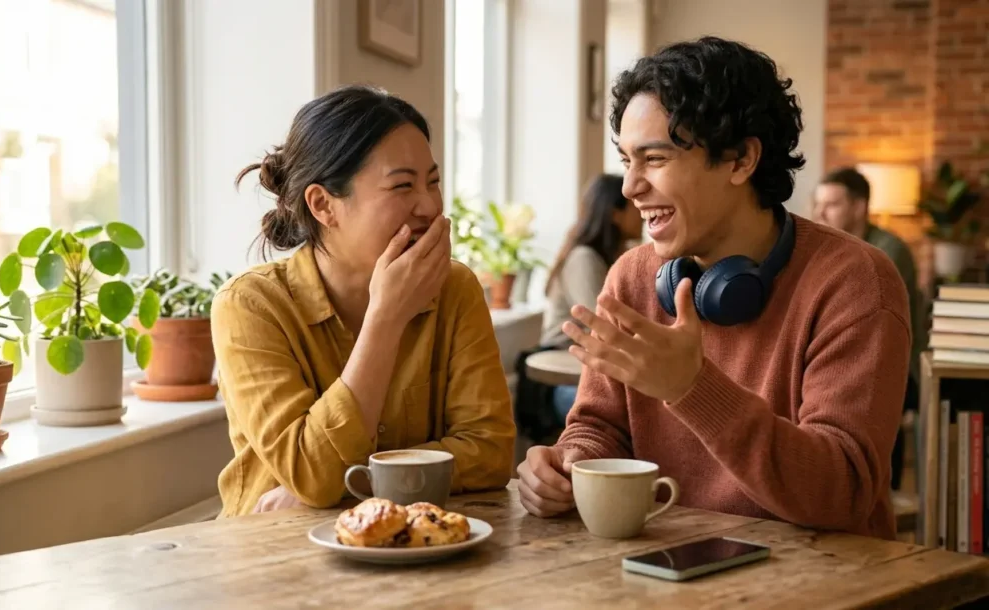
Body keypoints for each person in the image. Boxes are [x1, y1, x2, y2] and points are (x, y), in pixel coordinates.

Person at [516, 36, 911, 541]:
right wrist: (567, 465)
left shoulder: (855, 282)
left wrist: (692, 388)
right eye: (627, 160)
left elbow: (842, 492)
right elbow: (598, 427)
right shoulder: (632, 278)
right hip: (667, 561)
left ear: (741, 159)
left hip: (820, 572)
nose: (630, 187)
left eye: (654, 158)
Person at [211, 85, 516, 517]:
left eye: (433, 182)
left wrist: (360, 483)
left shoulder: (455, 288)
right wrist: (386, 319)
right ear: (323, 205)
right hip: (276, 547)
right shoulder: (250, 306)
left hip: (416, 544)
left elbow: (490, 453)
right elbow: (312, 472)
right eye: (402, 185)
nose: (429, 206)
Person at [813, 167, 926, 490]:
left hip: (898, 365)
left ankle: (881, 492)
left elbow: (861, 316)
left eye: (831, 204)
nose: (820, 213)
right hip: (851, 353)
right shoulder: (829, 248)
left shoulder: (889, 252)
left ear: (859, 207)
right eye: (818, 204)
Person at [540, 174, 642, 422]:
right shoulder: (584, 259)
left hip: (591, 370)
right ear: (615, 214)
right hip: (563, 379)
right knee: (631, 415)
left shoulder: (618, 256)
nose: (642, 212)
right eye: (634, 204)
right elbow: (605, 324)